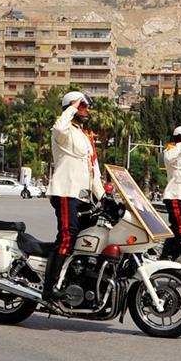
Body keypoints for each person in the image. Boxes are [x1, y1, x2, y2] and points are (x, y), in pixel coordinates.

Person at [44, 92, 105, 300]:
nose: (87, 109)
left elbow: (92, 170)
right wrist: (72, 106)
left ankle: (76, 280)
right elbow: (59, 126)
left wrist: (103, 197)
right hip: (65, 191)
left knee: (87, 239)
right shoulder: (63, 131)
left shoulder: (84, 136)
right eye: (83, 106)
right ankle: (49, 287)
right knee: (67, 235)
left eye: (86, 106)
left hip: (84, 196)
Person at [160, 125, 181, 260]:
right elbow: (168, 158)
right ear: (180, 139)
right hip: (175, 197)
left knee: (180, 228)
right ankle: (169, 256)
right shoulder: (171, 151)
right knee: (180, 229)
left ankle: (173, 254)